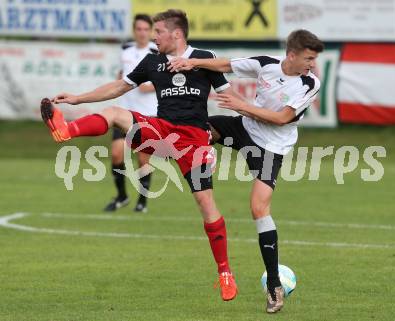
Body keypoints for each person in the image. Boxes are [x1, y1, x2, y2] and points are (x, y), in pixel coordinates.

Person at [40, 9, 238, 301]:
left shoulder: (204, 57)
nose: (154, 37)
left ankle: (224, 272)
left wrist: (254, 119)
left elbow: (228, 94)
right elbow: (119, 86)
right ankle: (66, 130)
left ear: (176, 34)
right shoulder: (152, 61)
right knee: (116, 113)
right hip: (161, 131)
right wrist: (78, 98)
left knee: (206, 203)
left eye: (158, 32)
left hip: (194, 140)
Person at [168, 29, 324, 313]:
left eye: (313, 58)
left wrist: (242, 106)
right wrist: (192, 63)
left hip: (271, 148)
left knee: (258, 208)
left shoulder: (308, 83)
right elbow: (227, 65)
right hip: (245, 129)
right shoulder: (266, 63)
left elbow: (281, 118)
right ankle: (205, 155)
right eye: (308, 57)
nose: (312, 63)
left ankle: (274, 286)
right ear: (291, 54)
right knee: (196, 130)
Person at [105, 14, 158, 213]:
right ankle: (122, 196)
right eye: (139, 29)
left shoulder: (156, 51)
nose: (142, 33)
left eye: (146, 29)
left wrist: (150, 86)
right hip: (124, 112)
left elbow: (166, 80)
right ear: (134, 30)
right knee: (116, 154)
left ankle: (142, 201)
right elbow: (121, 75)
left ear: (150, 31)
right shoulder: (125, 50)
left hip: (147, 116)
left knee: (143, 160)